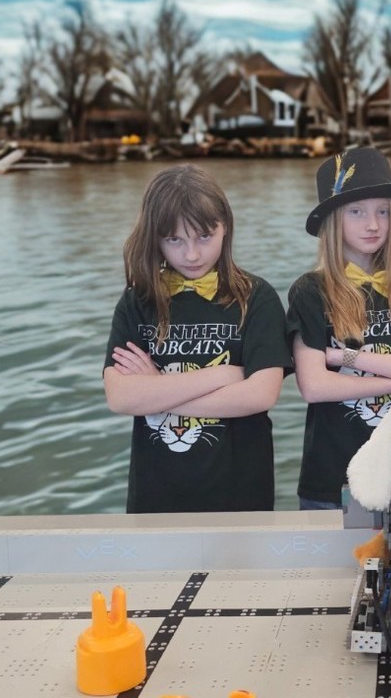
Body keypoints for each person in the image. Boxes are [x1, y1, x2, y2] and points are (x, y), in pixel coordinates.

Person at [103, 164, 292, 514]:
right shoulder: (137, 302)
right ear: (154, 238)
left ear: (225, 228)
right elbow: (120, 396)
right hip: (154, 499)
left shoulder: (256, 298)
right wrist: (221, 375)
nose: (191, 254)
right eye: (174, 239)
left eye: (204, 236)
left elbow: (261, 394)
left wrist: (157, 391)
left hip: (241, 496)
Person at [287, 147, 391, 510]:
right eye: (357, 212)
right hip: (332, 477)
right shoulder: (310, 291)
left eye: (382, 211)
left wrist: (345, 356)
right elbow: (314, 386)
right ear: (333, 219)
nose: (373, 224)